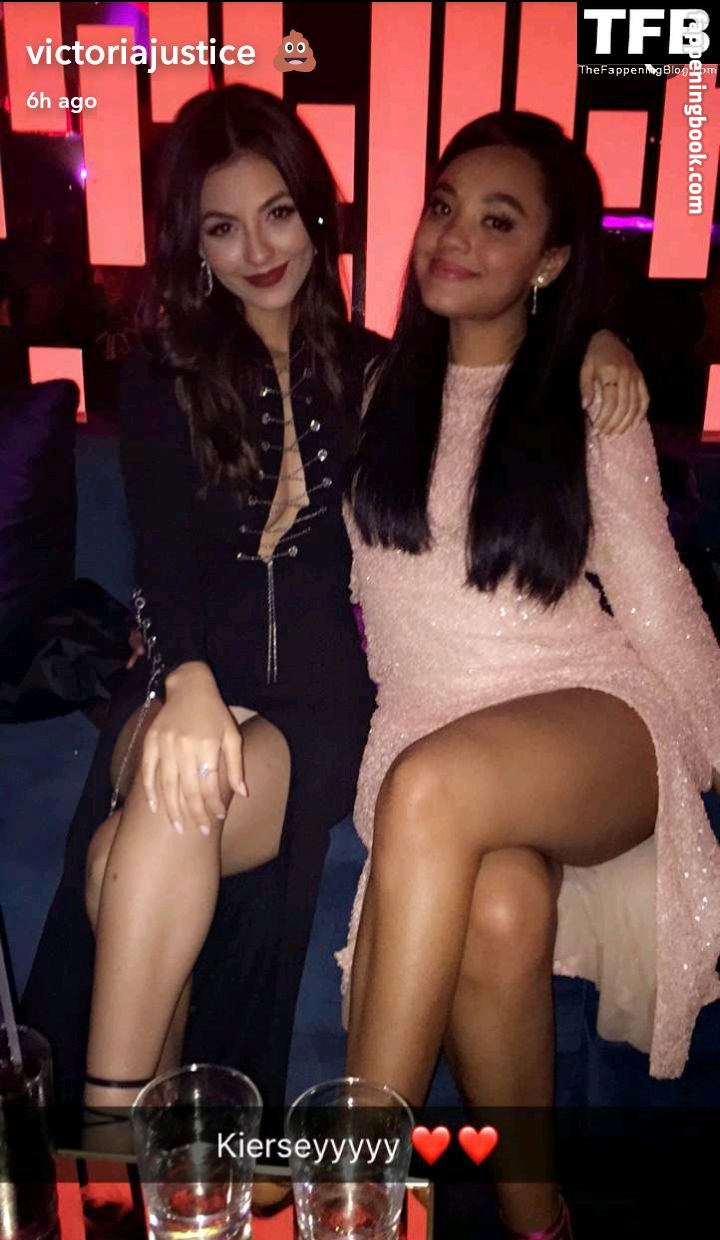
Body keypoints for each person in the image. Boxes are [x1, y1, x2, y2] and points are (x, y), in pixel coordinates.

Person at [21, 87, 646, 1119]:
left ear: (315, 212)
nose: (258, 249)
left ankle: (118, 1150)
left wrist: (594, 344)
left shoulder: (380, 375)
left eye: (277, 213)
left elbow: (500, 362)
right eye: (222, 227)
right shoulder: (164, 378)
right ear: (193, 246)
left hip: (315, 712)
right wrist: (185, 684)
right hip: (181, 685)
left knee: (124, 854)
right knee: (172, 794)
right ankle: (126, 1143)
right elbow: (161, 561)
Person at [337, 111, 720, 1240]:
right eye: (443, 205)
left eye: (497, 222)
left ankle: (349, 1216)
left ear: (551, 259)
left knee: (429, 790)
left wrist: (713, 756)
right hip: (432, 729)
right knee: (499, 905)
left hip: (594, 720)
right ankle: (538, 1237)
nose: (453, 236)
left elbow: (657, 600)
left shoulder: (584, 398)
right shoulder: (375, 388)